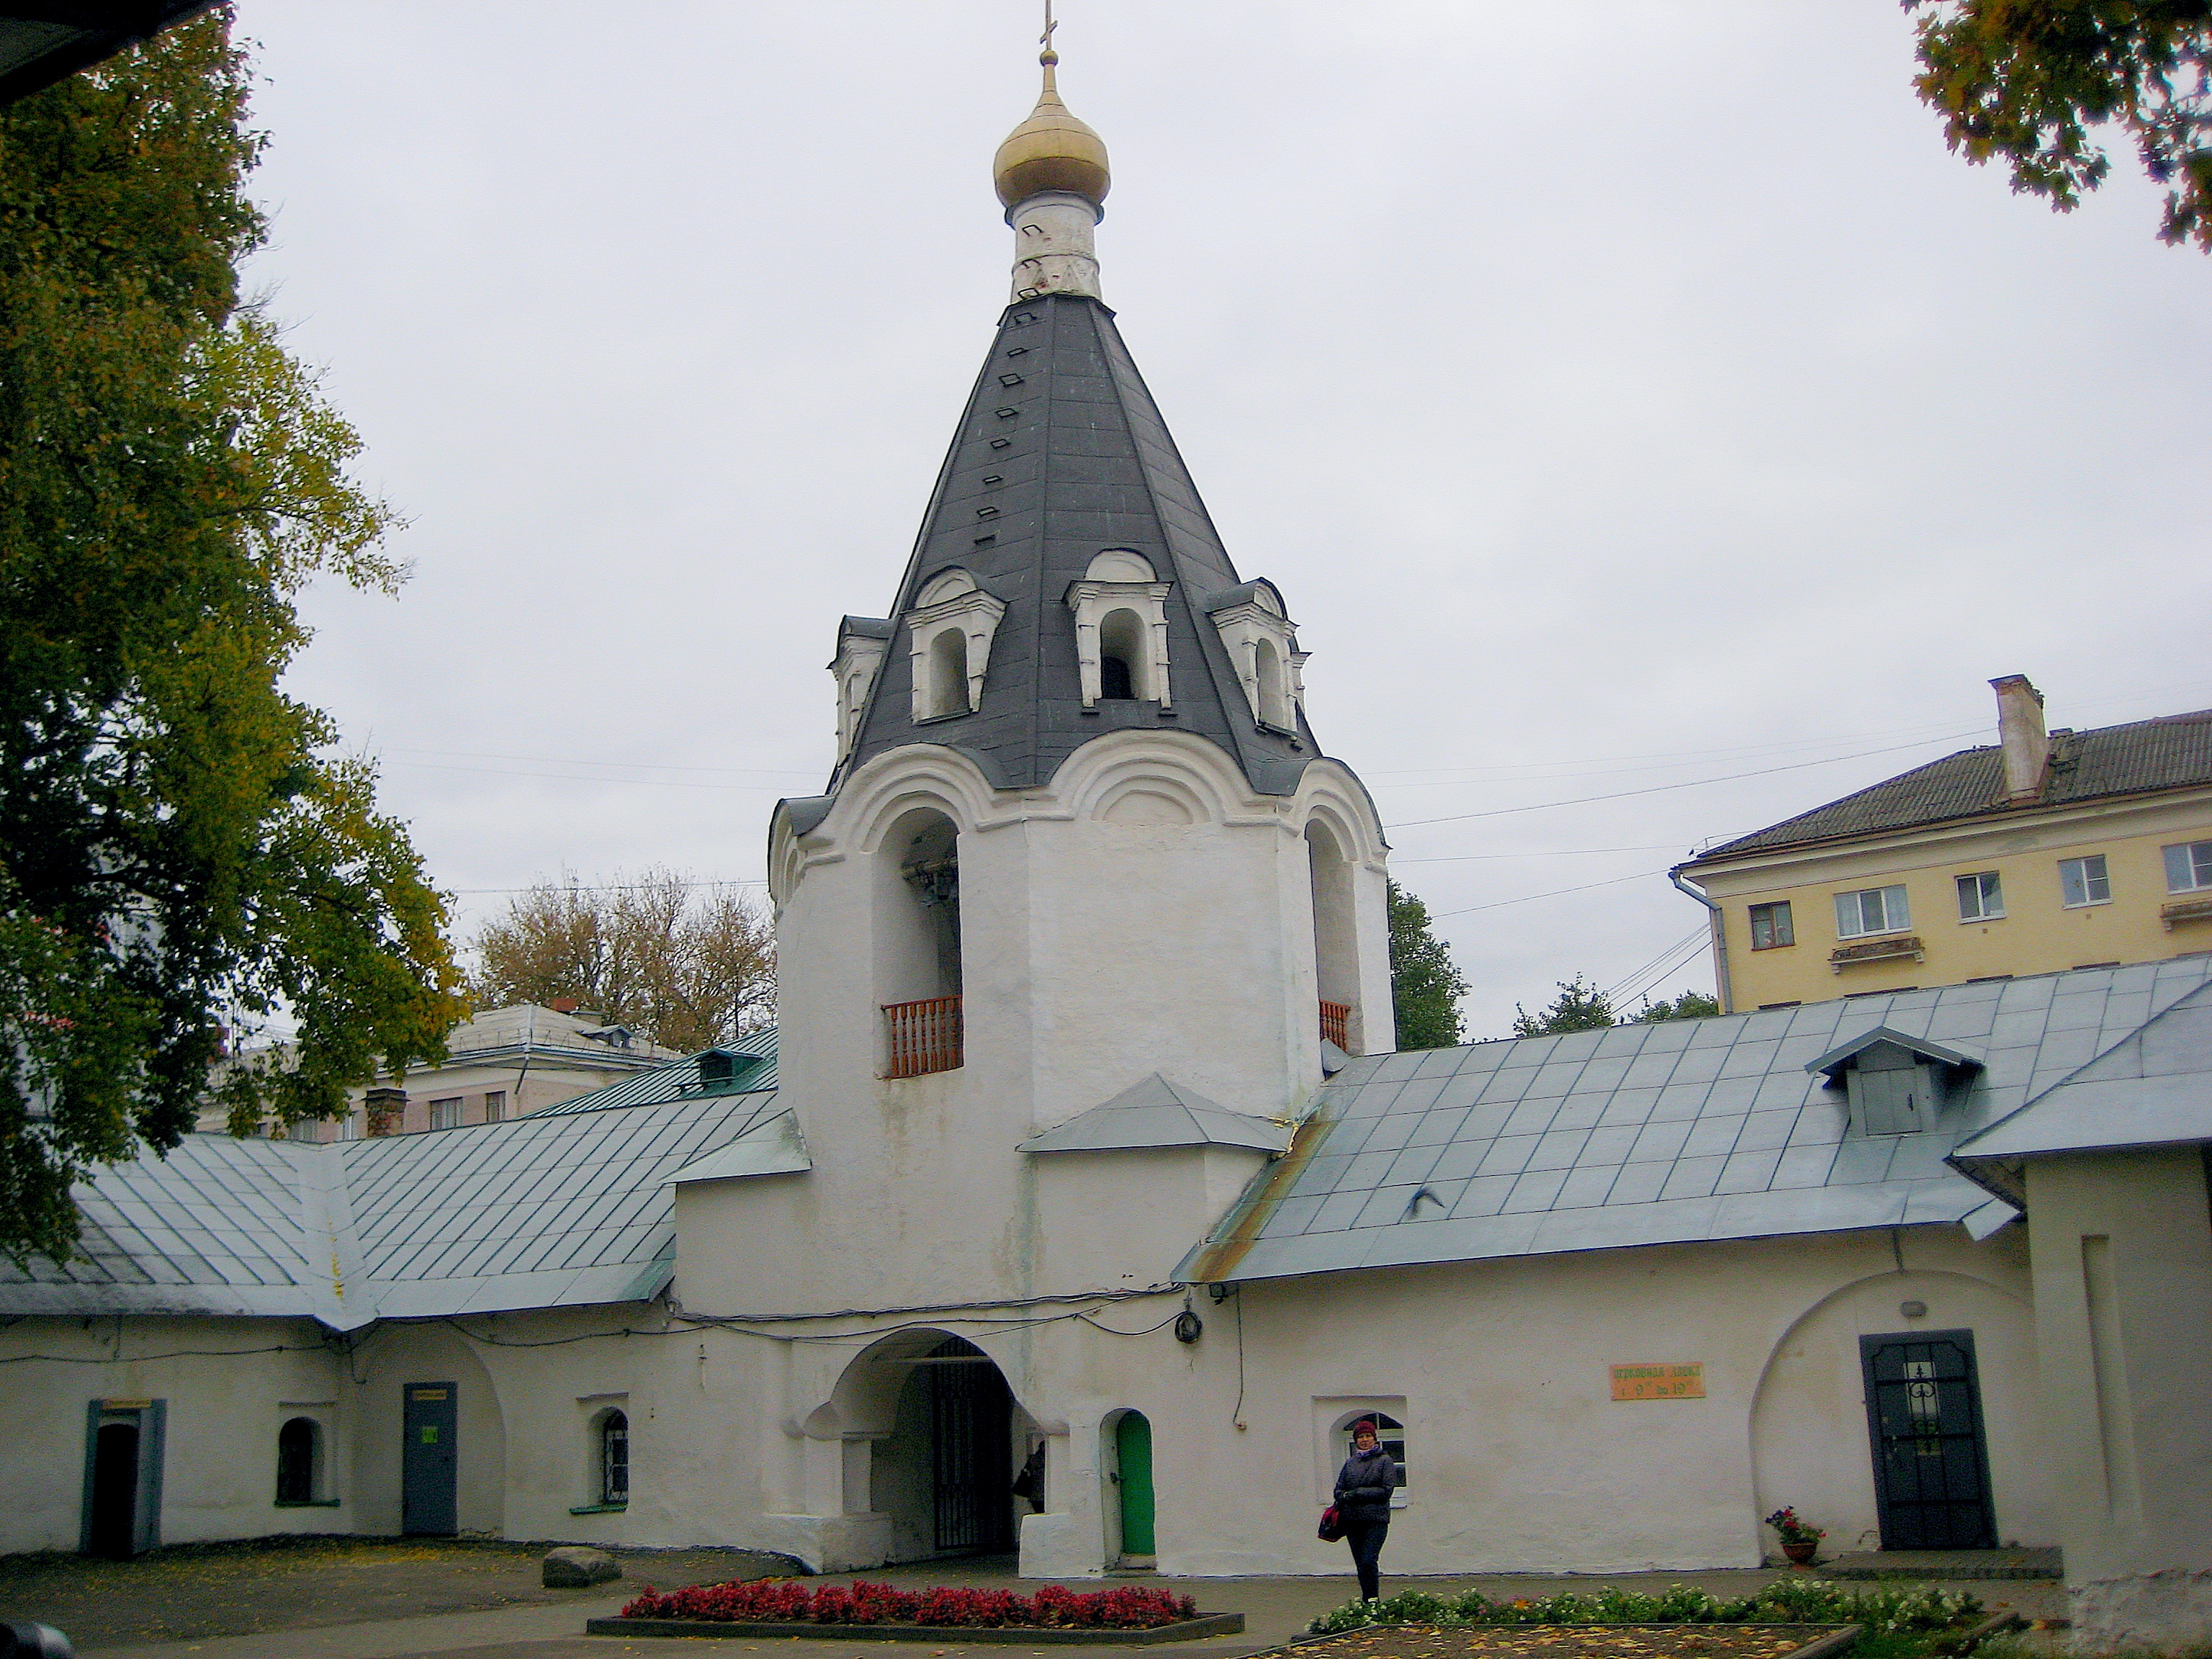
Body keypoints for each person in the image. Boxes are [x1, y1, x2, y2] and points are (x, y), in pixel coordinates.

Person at [1333, 1419, 1396, 1602]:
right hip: (1353, 1520)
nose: (1365, 1440)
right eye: (1361, 1437)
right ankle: (1367, 1600)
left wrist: (1359, 1493)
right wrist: (1344, 1496)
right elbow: (1338, 1489)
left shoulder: (1385, 1461)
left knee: (1369, 1560)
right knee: (1361, 1563)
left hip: (1376, 1519)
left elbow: (1386, 1490)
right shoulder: (1350, 1464)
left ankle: (1374, 1599)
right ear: (1356, 1440)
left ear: (1374, 1439)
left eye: (1368, 1436)